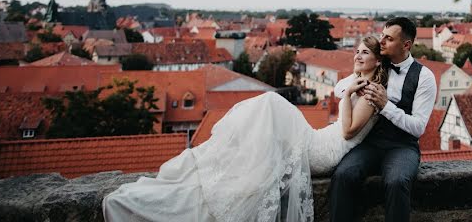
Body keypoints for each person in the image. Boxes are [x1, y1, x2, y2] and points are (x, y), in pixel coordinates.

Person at [102, 36, 387, 222]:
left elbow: (348, 131)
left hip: (325, 151)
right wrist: (350, 88)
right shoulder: (360, 83)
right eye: (357, 51)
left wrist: (349, 93)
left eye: (365, 53)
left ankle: (224, 163)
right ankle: (225, 162)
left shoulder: (372, 92)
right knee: (268, 107)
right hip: (321, 139)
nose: (358, 56)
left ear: (378, 59)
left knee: (271, 105)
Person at [329, 17, 437, 222]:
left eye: (388, 38)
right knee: (343, 175)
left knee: (397, 182)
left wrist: (385, 106)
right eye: (382, 36)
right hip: (370, 143)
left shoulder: (425, 77)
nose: (382, 42)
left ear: (406, 45)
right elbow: (339, 87)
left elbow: (418, 127)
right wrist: (356, 89)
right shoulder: (378, 65)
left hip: (402, 146)